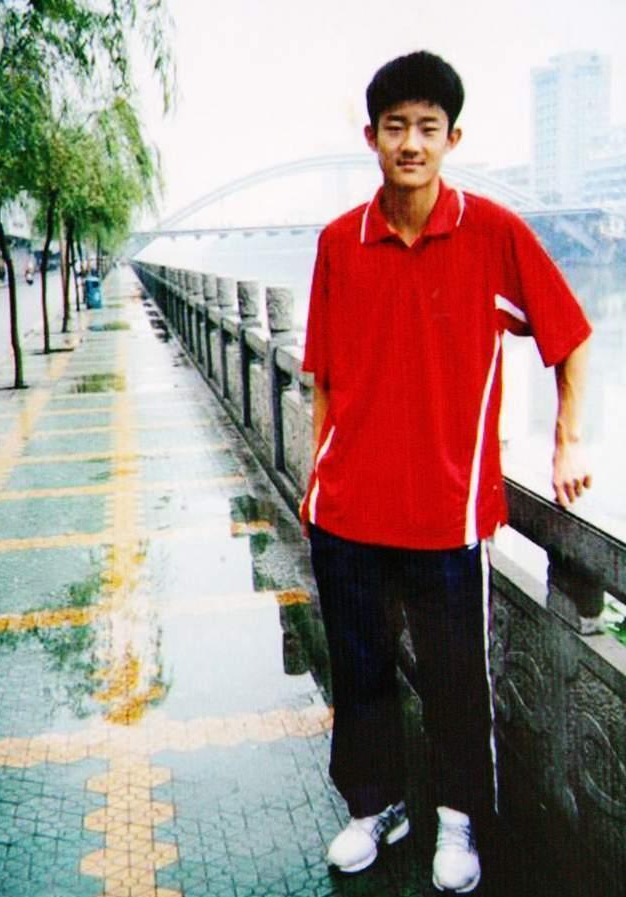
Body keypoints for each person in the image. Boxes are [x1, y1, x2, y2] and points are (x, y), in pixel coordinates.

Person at [300, 50, 592, 893]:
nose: (411, 143)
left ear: (452, 138)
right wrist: (318, 487)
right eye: (396, 127)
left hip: (447, 515)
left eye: (428, 127)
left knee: (458, 679)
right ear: (371, 137)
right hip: (348, 512)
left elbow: (570, 339)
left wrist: (568, 441)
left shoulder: (492, 233)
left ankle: (458, 820)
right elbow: (324, 380)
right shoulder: (338, 243)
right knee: (360, 672)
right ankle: (376, 805)